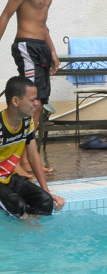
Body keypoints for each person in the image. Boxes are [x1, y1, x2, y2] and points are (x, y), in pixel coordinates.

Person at [0, 0, 64, 177]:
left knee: (38, 104)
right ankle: (19, 161)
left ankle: (26, 161)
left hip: (41, 47)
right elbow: (6, 15)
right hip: (26, 46)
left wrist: (53, 51)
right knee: (30, 101)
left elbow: (42, 24)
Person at [0, 76, 65, 218]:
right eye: (32, 100)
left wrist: (47, 191)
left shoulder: (26, 122)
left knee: (45, 202)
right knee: (19, 207)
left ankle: (35, 226)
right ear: (15, 101)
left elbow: (33, 156)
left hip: (9, 178)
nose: (36, 103)